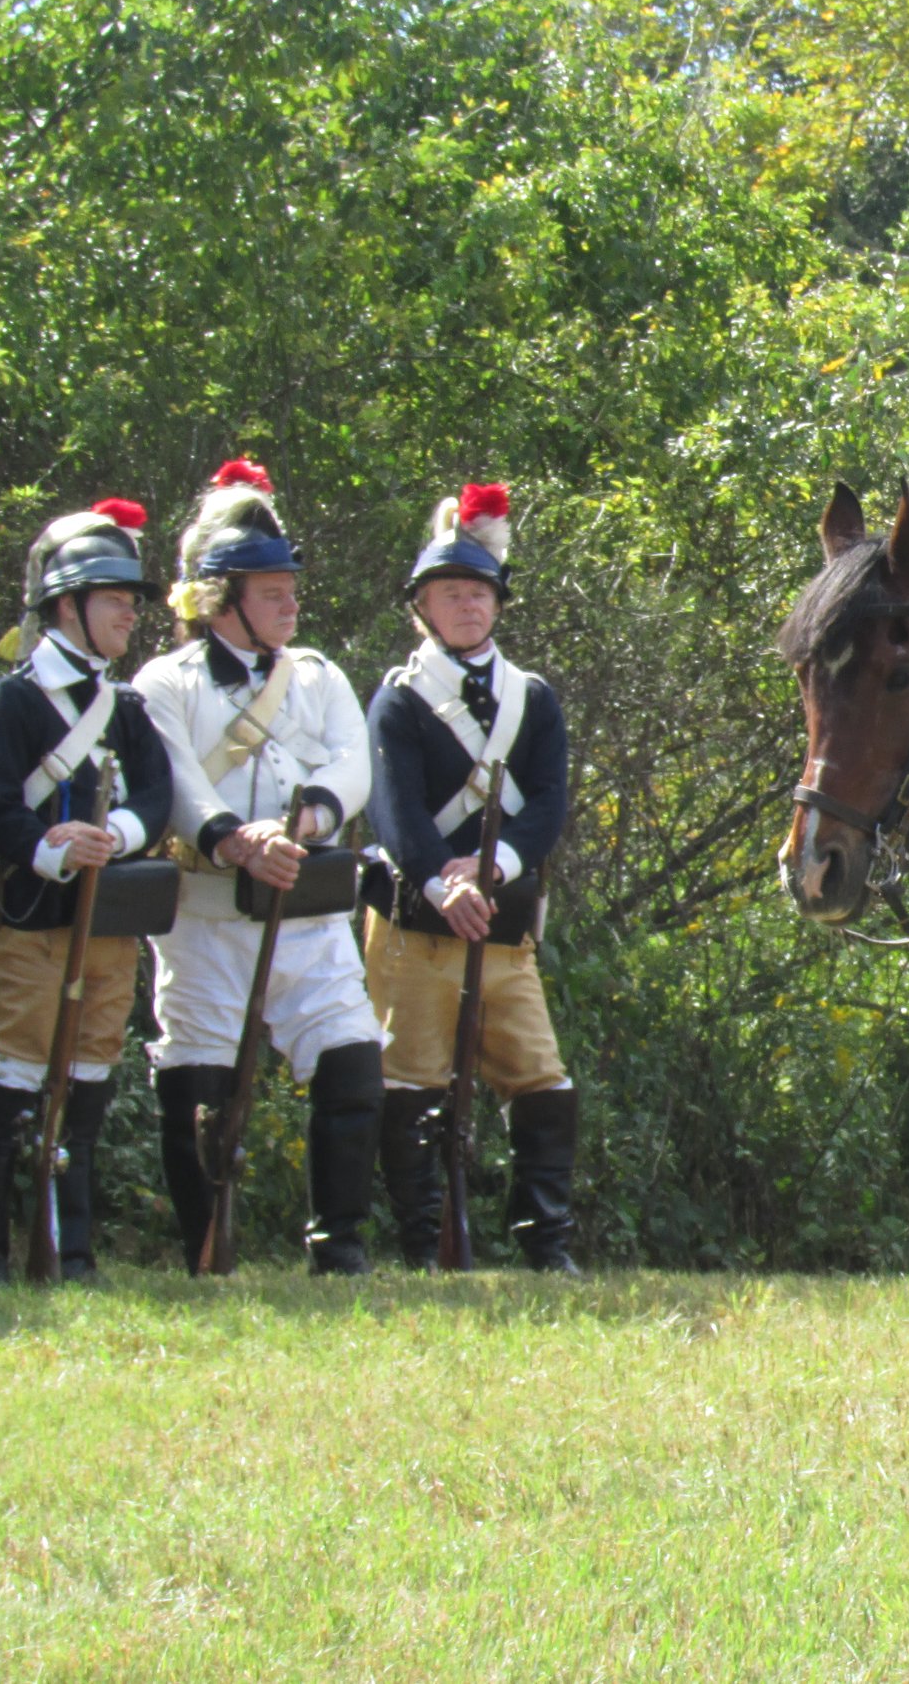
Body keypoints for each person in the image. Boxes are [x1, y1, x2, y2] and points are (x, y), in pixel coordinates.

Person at [134, 459, 386, 1274]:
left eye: (290, 590)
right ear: (222, 598)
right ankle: (207, 1246)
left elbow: (355, 762)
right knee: (199, 1084)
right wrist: (236, 838)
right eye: (271, 590)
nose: (290, 603)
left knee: (351, 1064)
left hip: (307, 914)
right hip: (207, 914)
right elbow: (176, 777)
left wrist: (309, 817)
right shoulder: (163, 684)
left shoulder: (315, 675)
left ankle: (337, 1244)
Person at [363, 483, 579, 1273]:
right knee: (413, 1085)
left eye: (479, 591)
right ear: (422, 606)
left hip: (504, 923)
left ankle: (544, 1244)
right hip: (418, 927)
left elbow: (548, 801)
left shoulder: (533, 699)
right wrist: (437, 882)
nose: (468, 605)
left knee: (541, 1081)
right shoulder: (398, 701)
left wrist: (496, 867)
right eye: (451, 593)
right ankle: (425, 1243)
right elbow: (396, 813)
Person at [0, 499, 174, 1284]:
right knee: (13, 1073)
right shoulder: (12, 700)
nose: (128, 615)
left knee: (88, 1075)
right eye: (115, 599)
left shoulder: (127, 707)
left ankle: (71, 1251)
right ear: (67, 604)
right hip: (35, 919)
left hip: (109, 923)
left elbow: (155, 793)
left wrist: (114, 831)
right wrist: (51, 845)